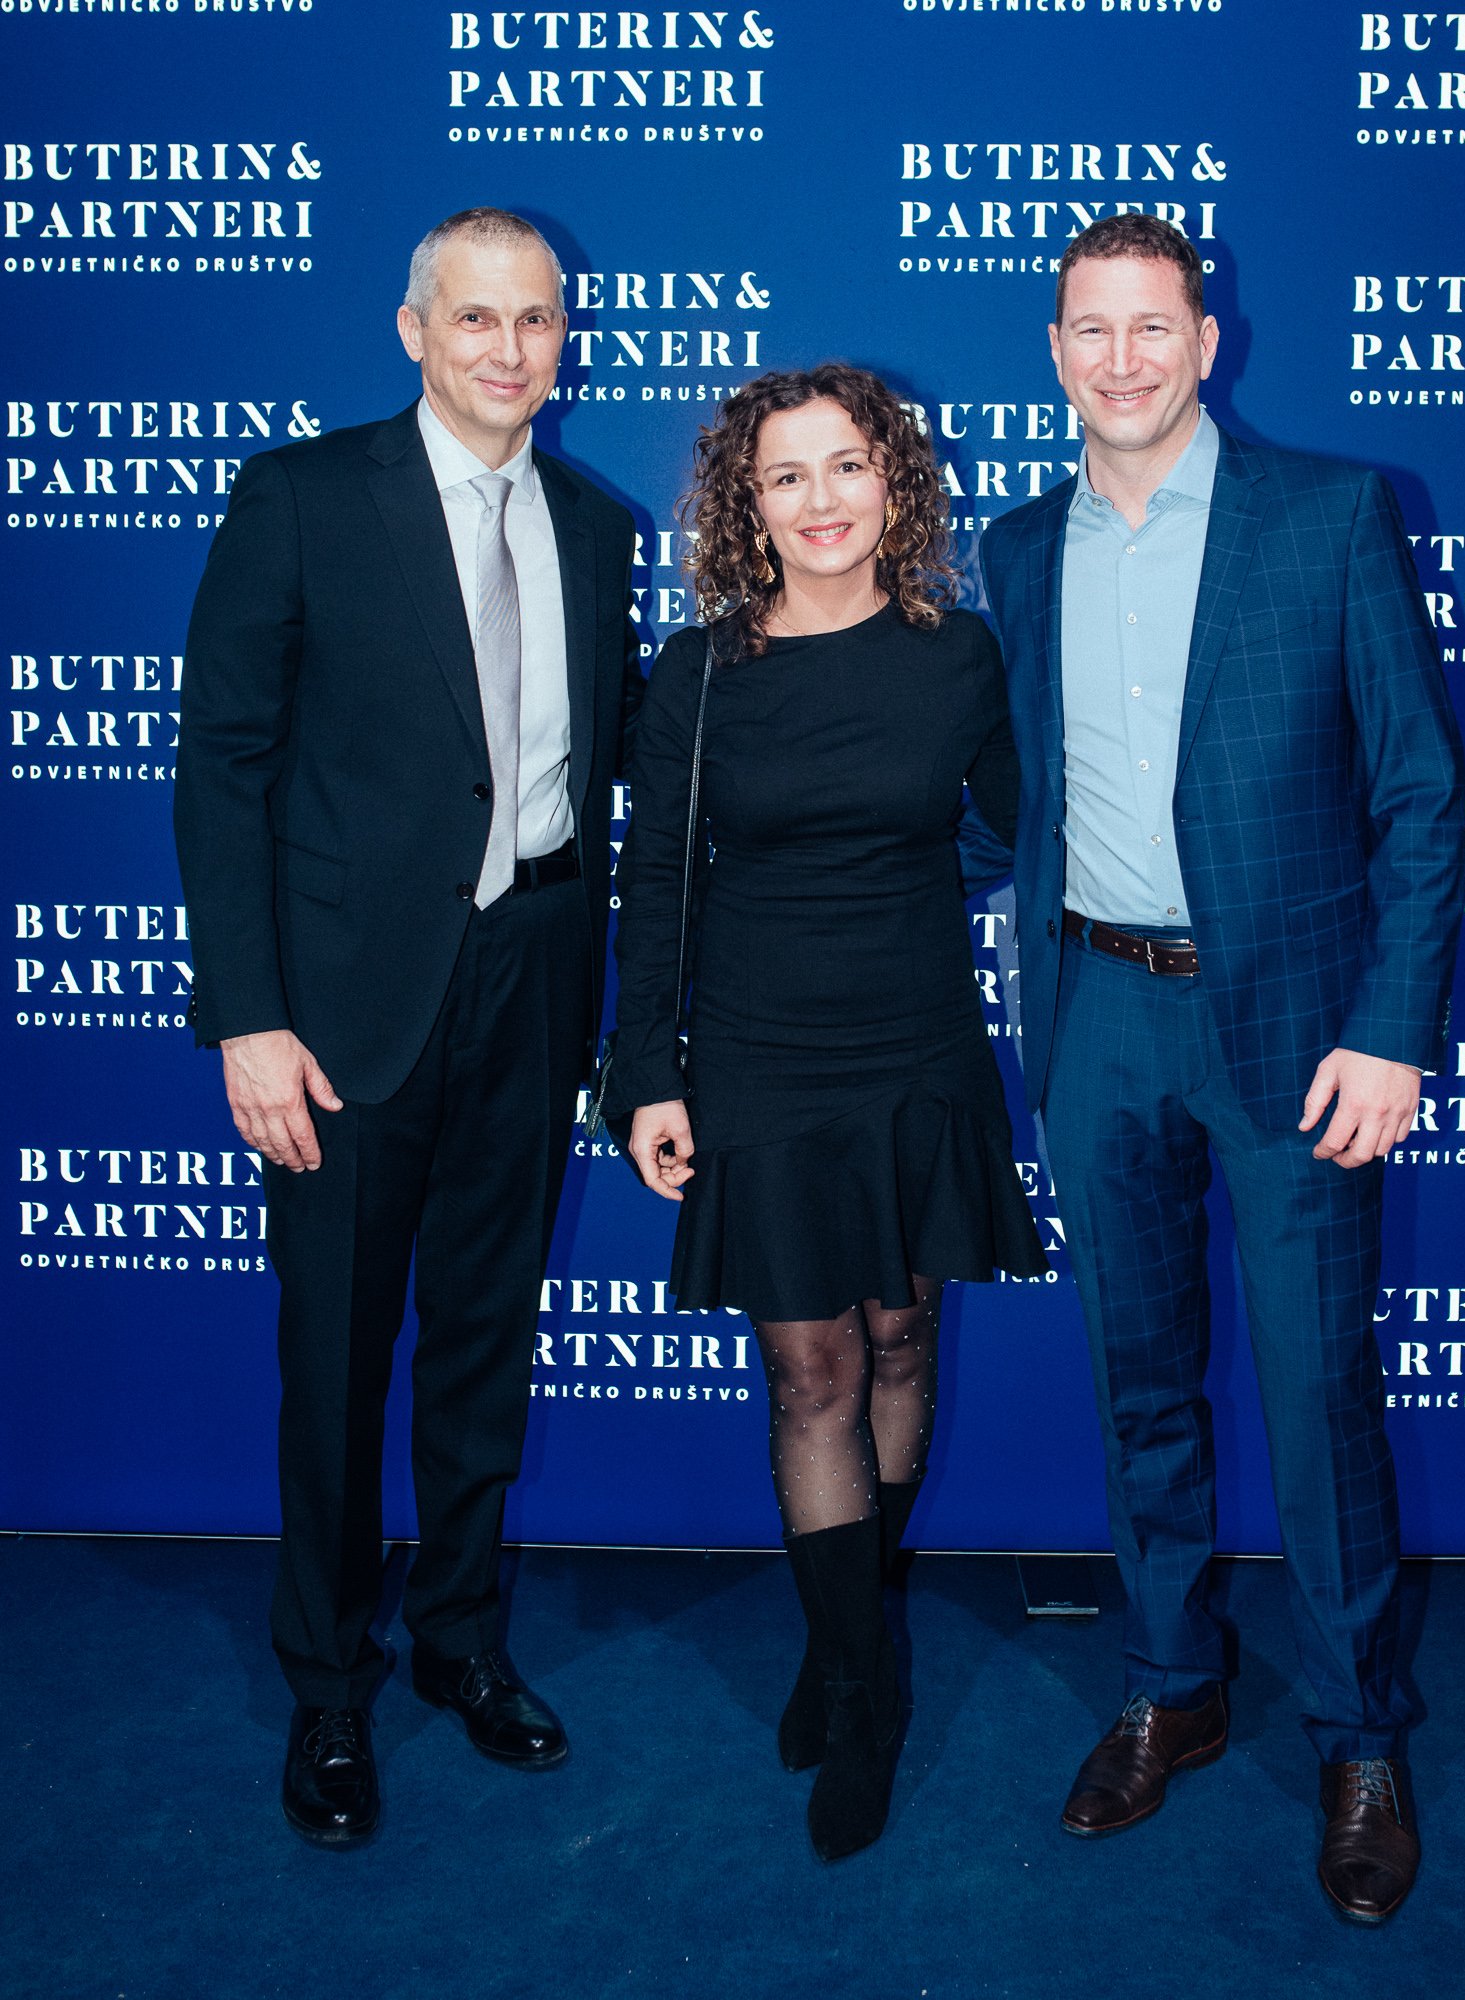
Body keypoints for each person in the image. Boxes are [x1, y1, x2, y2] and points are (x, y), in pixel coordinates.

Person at [980, 214, 1465, 1923]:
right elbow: (995, 804)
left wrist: (1394, 1024)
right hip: (1097, 1014)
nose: (1121, 358)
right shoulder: (1018, 548)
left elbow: (1417, 794)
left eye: (1151, 327)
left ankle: (1356, 1731)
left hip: (1300, 1029)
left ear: (1208, 338)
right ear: (1056, 351)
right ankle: (1174, 1682)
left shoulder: (1327, 516)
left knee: (1321, 1391)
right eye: (1089, 331)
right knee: (1139, 1377)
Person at [173, 207, 643, 1848]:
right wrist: (249, 1020)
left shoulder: (595, 523)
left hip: (530, 983)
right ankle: (327, 1687)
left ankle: (461, 1642)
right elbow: (223, 768)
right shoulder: (303, 498)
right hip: (344, 1014)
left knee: (481, 1342)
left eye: (538, 320)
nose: (510, 348)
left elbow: (611, 765)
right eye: (477, 318)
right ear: (411, 328)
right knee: (334, 1358)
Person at [608, 364, 1045, 1862]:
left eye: (847, 467)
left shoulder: (961, 656)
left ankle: (846, 1615)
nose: (820, 502)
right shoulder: (701, 673)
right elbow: (654, 885)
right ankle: (856, 1680)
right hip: (759, 1054)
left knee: (904, 1334)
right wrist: (645, 1071)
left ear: (894, 485)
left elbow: (1017, 827)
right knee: (812, 1375)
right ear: (747, 505)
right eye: (784, 477)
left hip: (915, 1042)